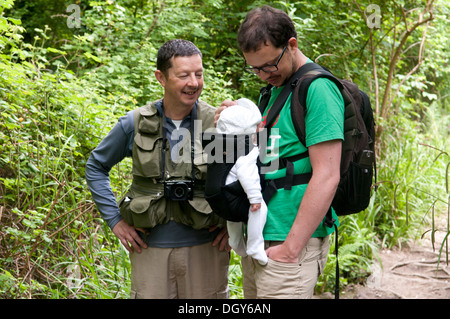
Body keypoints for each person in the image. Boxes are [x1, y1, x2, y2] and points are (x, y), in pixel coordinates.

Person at [85, 39, 230, 299]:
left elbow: (249, 175)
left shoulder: (219, 123)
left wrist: (235, 226)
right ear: (161, 77)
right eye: (184, 75)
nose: (194, 83)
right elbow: (96, 166)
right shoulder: (134, 123)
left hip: (206, 250)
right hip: (150, 251)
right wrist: (115, 221)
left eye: (199, 74)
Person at [217, 5, 343, 298]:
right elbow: (263, 157)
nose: (262, 75)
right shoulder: (274, 91)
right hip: (261, 239)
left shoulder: (318, 90)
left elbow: (327, 175)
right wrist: (236, 120)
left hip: (290, 245)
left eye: (269, 65)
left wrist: (290, 249)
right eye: (255, 68)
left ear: (291, 45)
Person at [215, 98, 268, 266]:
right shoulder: (248, 152)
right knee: (259, 211)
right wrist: (255, 198)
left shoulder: (227, 145)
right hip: (237, 193)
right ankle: (255, 245)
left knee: (233, 220)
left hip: (222, 194)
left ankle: (236, 242)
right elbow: (247, 173)